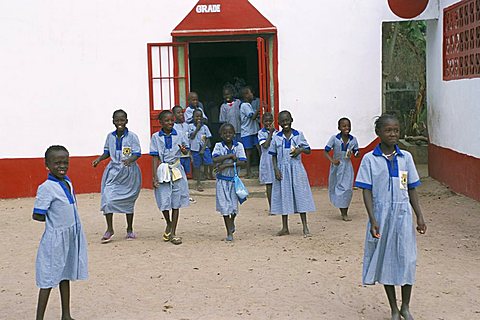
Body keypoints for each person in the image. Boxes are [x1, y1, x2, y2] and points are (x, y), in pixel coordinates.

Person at [355, 114, 427, 320]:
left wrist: (419, 216)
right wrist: (373, 219)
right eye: (388, 130)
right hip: (382, 215)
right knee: (386, 260)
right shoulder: (370, 159)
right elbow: (366, 191)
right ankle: (394, 309)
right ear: (378, 133)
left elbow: (412, 188)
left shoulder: (406, 158)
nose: (393, 134)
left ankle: (405, 306)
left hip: (403, 214)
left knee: (407, 259)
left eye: (396, 130)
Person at [33, 145, 88, 320]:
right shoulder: (46, 187)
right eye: (57, 163)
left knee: (65, 275)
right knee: (48, 279)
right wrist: (55, 223)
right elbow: (38, 214)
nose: (62, 166)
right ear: (46, 164)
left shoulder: (67, 182)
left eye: (65, 162)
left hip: (70, 237)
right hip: (55, 240)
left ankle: (66, 314)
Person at [92, 109, 142, 242]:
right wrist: (99, 159)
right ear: (113, 121)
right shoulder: (110, 136)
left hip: (129, 173)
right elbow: (107, 152)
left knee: (128, 200)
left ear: (126, 121)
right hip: (113, 173)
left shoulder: (132, 137)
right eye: (117, 120)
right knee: (107, 199)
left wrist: (130, 160)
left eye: (122, 120)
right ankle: (109, 229)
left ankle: (130, 229)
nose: (120, 122)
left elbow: (137, 153)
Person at [269, 110, 316, 237]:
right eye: (282, 121)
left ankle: (305, 226)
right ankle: (285, 227)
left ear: (291, 120)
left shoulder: (298, 135)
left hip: (296, 170)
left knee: (300, 196)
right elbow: (273, 155)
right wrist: (276, 170)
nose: (285, 123)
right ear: (279, 123)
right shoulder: (276, 137)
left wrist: (299, 150)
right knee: (284, 196)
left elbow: (308, 150)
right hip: (282, 171)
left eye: (287, 120)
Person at [150, 110, 190, 245]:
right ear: (160, 122)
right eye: (167, 121)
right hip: (163, 171)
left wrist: (184, 150)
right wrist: (154, 176)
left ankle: (173, 232)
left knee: (176, 202)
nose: (170, 123)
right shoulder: (156, 137)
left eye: (172, 120)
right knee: (164, 200)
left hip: (177, 170)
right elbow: (155, 157)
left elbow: (186, 149)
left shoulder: (179, 134)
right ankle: (169, 222)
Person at [212, 123, 247, 241]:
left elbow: (243, 162)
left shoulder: (239, 146)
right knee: (224, 206)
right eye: (225, 133)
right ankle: (229, 232)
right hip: (222, 181)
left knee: (233, 206)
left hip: (233, 181)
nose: (228, 135)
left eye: (230, 133)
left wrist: (226, 165)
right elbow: (215, 159)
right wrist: (231, 155)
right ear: (221, 135)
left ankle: (232, 221)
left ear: (234, 134)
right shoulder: (218, 146)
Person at [324, 117, 360, 221]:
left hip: (347, 167)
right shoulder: (334, 138)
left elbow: (356, 152)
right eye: (344, 126)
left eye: (348, 126)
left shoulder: (353, 140)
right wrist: (332, 160)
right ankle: (342, 210)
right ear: (339, 127)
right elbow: (325, 151)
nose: (347, 128)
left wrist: (356, 154)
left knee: (347, 189)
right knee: (337, 187)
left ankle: (345, 212)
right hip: (337, 167)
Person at [189, 108, 214, 191]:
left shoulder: (205, 127)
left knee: (209, 162)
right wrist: (197, 129)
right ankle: (198, 182)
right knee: (197, 166)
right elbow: (191, 136)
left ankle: (209, 174)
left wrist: (203, 149)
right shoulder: (190, 127)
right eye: (196, 116)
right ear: (193, 117)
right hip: (195, 149)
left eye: (200, 116)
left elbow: (208, 138)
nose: (198, 118)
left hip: (204, 148)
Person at [257, 112, 277, 209]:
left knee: (277, 183)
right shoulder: (261, 133)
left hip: (276, 160)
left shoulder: (277, 133)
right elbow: (265, 145)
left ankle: (278, 206)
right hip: (267, 160)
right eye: (266, 121)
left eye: (270, 120)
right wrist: (270, 134)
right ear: (262, 122)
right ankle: (271, 207)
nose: (268, 123)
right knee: (269, 184)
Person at [240, 86, 260, 178]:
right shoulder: (245, 106)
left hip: (253, 131)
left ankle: (261, 170)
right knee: (248, 153)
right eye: (250, 93)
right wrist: (260, 109)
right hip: (247, 132)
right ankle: (248, 172)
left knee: (259, 150)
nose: (252, 94)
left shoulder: (249, 105)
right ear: (246, 95)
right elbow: (252, 117)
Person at [173, 105, 192, 175]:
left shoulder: (186, 125)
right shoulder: (173, 126)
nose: (181, 114)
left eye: (182, 112)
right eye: (178, 113)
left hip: (187, 153)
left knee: (187, 171)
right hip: (179, 154)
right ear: (174, 114)